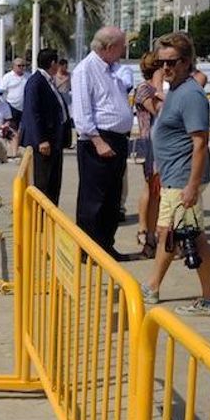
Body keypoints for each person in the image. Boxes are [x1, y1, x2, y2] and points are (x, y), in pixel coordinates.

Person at [141, 32, 210, 317]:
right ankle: (153, 286)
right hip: (173, 175)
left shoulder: (190, 94)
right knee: (170, 233)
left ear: (186, 62)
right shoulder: (175, 89)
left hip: (184, 177)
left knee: (191, 235)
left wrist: (191, 185)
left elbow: (200, 144)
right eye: (160, 63)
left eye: (171, 62)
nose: (164, 68)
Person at [71, 27, 132, 260]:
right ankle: (88, 250)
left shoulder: (112, 69)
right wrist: (97, 141)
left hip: (116, 138)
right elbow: (82, 113)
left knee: (112, 198)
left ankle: (106, 245)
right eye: (121, 45)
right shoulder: (85, 70)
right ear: (108, 47)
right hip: (98, 140)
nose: (124, 49)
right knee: (93, 198)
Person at [20, 48, 69, 205]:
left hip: (56, 139)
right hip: (45, 141)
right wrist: (41, 139)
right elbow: (33, 113)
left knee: (54, 181)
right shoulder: (36, 82)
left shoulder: (49, 81)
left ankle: (51, 214)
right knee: (44, 182)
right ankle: (41, 217)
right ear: (53, 63)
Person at [134, 52, 163, 258]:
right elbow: (157, 111)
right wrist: (160, 87)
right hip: (150, 143)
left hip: (159, 144)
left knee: (154, 189)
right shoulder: (145, 89)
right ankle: (145, 231)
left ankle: (149, 231)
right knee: (152, 189)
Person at [0, 57, 29, 157]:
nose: (21, 68)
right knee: (13, 129)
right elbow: (2, 92)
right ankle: (13, 152)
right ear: (14, 66)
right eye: (19, 66)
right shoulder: (7, 77)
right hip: (11, 106)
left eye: (23, 66)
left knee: (22, 129)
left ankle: (18, 148)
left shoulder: (28, 77)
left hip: (24, 107)